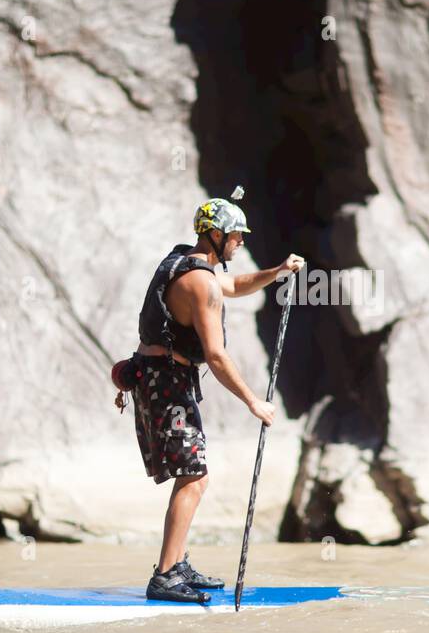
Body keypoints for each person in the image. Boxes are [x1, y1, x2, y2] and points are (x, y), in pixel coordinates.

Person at [130, 192, 304, 603]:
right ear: (214, 234)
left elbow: (233, 285)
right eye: (236, 235)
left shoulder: (191, 265)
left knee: (193, 473)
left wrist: (277, 271)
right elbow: (216, 354)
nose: (241, 241)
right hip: (166, 382)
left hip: (162, 378)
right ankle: (166, 575)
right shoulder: (199, 282)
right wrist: (253, 402)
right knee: (194, 475)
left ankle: (176, 563)